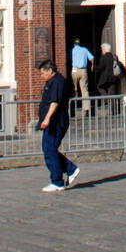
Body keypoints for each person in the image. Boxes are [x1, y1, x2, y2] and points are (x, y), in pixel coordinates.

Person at [37, 58, 79, 193]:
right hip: (53, 122)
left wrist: (47, 119)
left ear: (50, 71)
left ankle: (57, 181)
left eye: (43, 73)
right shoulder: (52, 81)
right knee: (48, 148)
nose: (41, 76)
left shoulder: (57, 82)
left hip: (56, 122)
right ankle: (70, 169)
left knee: (49, 149)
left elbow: (54, 102)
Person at [95, 43, 123, 110]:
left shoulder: (103, 58)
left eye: (102, 49)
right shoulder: (114, 57)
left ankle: (107, 99)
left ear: (104, 50)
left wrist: (93, 69)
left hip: (105, 77)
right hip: (114, 77)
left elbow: (100, 68)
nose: (101, 51)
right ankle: (112, 111)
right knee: (112, 92)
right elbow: (119, 65)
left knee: (99, 87)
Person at [70, 38, 94, 115]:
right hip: (83, 70)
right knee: (84, 90)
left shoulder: (72, 50)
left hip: (75, 70)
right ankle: (86, 108)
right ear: (79, 43)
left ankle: (74, 106)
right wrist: (92, 65)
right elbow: (92, 58)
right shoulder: (84, 50)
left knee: (74, 88)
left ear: (74, 44)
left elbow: (67, 58)